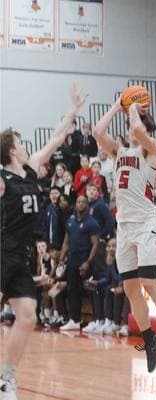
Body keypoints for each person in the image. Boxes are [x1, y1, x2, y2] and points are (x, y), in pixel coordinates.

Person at [0, 83, 87, 399]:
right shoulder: (3, 180)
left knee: (26, 315)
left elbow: (56, 137)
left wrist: (74, 109)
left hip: (21, 256)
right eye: (21, 142)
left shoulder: (31, 169)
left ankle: (6, 380)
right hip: (2, 251)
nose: (26, 145)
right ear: (12, 149)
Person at [93, 98, 156, 373]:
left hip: (147, 222)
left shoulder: (152, 149)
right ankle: (151, 339)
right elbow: (98, 131)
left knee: (149, 281)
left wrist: (132, 105)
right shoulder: (119, 152)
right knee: (131, 288)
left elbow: (136, 130)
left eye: (135, 124)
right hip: (125, 226)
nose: (130, 127)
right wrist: (116, 105)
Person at [59, 195, 100, 331]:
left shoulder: (92, 222)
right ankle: (75, 320)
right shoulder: (70, 221)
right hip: (72, 260)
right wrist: (62, 258)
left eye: (83, 202)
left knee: (90, 290)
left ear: (87, 205)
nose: (81, 204)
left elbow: (95, 244)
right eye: (78, 201)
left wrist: (88, 262)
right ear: (75, 204)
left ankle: (97, 320)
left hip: (85, 261)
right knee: (73, 290)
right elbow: (66, 241)